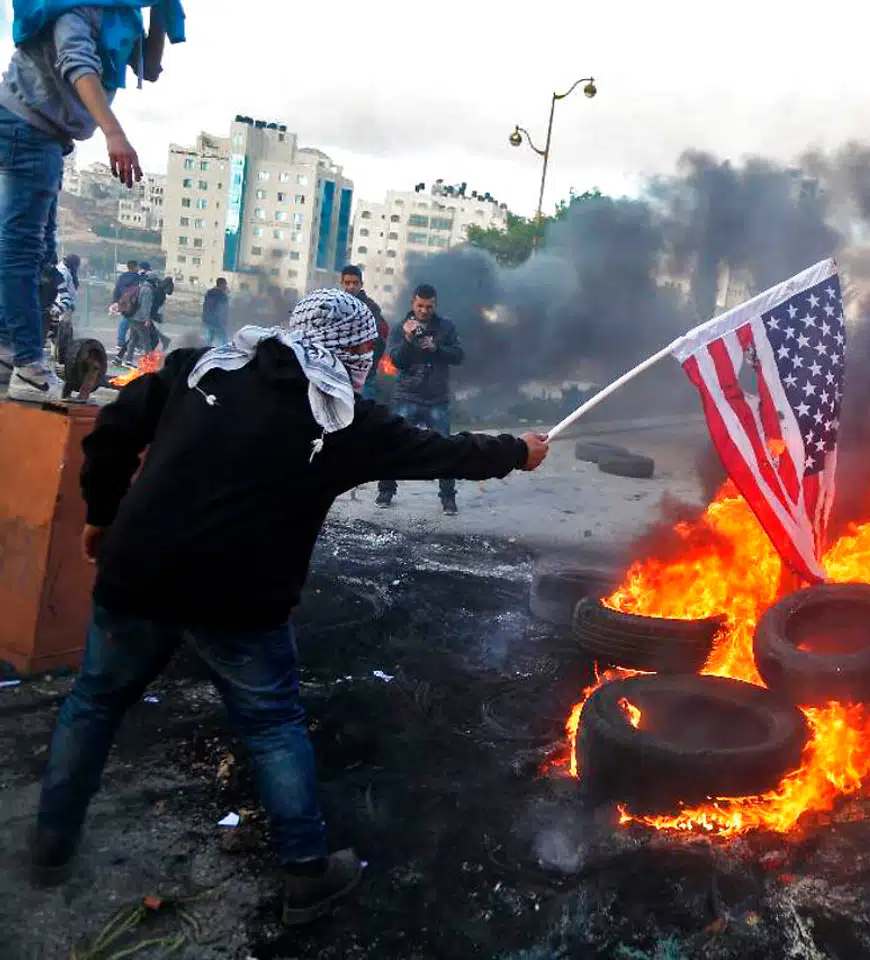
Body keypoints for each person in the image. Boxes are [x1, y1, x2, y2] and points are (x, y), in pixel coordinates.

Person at [28, 288, 550, 925]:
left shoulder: (199, 367)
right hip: (242, 599)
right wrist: (517, 452)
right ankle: (306, 874)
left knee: (95, 700)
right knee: (273, 725)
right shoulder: (342, 420)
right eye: (367, 351)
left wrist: (104, 513)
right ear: (355, 351)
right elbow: (447, 453)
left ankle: (50, 844)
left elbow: (110, 432)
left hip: (138, 571)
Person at [0, 2, 184, 403]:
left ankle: (8, 350)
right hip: (25, 126)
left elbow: (149, 68)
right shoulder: (78, 7)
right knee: (23, 251)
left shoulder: (124, 13)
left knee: (41, 258)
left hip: (49, 137)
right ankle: (28, 365)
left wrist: (161, 15)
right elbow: (76, 62)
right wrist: (113, 133)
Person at [376, 283, 465, 514]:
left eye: (429, 306)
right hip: (407, 395)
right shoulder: (400, 328)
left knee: (445, 448)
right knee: (393, 442)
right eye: (420, 306)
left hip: (437, 398)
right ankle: (385, 490)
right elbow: (396, 361)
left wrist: (436, 348)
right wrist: (407, 340)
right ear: (413, 304)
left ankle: (448, 498)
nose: (424, 310)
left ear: (435, 304)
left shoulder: (446, 327)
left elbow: (458, 355)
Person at [339, 265, 387, 399]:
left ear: (361, 284)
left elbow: (377, 340)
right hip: (339, 372)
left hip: (364, 374)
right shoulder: (335, 306)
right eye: (347, 283)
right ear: (342, 283)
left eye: (355, 283)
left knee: (363, 415)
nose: (351, 287)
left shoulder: (371, 308)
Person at [112, 259, 141, 352]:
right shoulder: (139, 278)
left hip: (124, 303)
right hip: (135, 304)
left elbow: (116, 290)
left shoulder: (122, 277)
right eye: (137, 266)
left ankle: (120, 342)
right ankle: (134, 345)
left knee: (124, 322)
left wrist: (115, 301)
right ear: (135, 267)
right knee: (136, 324)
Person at [202, 277, 229, 346]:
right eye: (225, 284)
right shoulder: (222, 295)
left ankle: (205, 350)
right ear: (221, 284)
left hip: (207, 319)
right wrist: (223, 322)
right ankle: (224, 352)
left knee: (210, 336)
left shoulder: (209, 292)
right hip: (217, 321)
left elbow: (205, 305)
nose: (226, 286)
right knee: (224, 339)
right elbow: (222, 310)